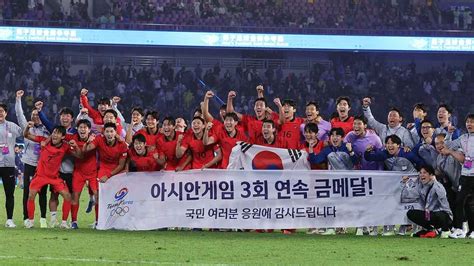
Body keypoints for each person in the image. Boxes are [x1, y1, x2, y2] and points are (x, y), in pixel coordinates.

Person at [23, 123, 82, 228]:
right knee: (31, 195)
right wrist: (28, 127)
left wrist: (76, 146)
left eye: (58, 134)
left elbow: (79, 155)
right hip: (40, 176)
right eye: (54, 132)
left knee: (67, 196)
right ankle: (30, 221)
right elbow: (26, 135)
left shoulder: (65, 146)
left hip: (54, 177)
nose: (55, 135)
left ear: (63, 137)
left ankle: (64, 223)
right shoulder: (44, 141)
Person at [36, 100, 77, 226]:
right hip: (56, 171)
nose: (65, 118)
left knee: (69, 196)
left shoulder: (76, 133)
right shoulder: (55, 130)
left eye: (67, 116)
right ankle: (53, 220)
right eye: (63, 115)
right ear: (60, 117)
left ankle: (66, 221)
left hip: (70, 170)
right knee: (54, 196)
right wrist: (39, 111)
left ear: (72, 119)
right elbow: (46, 122)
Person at [83, 122, 128, 228]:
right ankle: (98, 221)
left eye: (111, 131)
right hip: (104, 168)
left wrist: (108, 176)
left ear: (115, 133)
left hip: (117, 170)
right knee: (99, 195)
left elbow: (121, 165)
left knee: (119, 196)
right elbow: (87, 150)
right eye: (107, 131)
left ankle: (118, 221)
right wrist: (87, 142)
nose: (109, 134)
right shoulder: (99, 139)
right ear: (104, 133)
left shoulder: (122, 145)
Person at [15, 90, 49, 228]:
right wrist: (18, 99)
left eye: (37, 115)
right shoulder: (26, 127)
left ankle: (42, 219)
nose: (35, 117)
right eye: (33, 114)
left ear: (41, 116)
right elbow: (19, 115)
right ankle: (26, 218)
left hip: (43, 165)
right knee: (28, 192)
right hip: (29, 164)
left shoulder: (47, 130)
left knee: (43, 193)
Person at [442, 113, 474, 239]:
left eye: (472, 122)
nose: (469, 124)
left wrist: (452, 153)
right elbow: (447, 146)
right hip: (465, 175)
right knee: (461, 202)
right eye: (468, 122)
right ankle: (459, 229)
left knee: (470, 204)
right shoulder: (463, 138)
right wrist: (449, 134)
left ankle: (472, 230)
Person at [401, 165, 452, 238]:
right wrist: (406, 183)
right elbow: (408, 196)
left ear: (431, 175)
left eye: (424, 172)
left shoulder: (437, 186)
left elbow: (443, 200)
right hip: (429, 214)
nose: (422, 175)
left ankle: (445, 229)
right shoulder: (420, 186)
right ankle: (431, 229)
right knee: (410, 213)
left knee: (439, 214)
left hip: (443, 215)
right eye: (420, 173)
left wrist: (435, 181)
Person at [69, 119, 98, 229]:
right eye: (80, 127)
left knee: (97, 196)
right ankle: (74, 222)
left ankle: (97, 221)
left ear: (89, 130)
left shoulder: (95, 139)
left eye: (85, 127)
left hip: (93, 172)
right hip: (79, 172)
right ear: (77, 129)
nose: (82, 129)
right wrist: (80, 145)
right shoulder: (73, 141)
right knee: (75, 196)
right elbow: (81, 155)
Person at [0, 103, 23, 228]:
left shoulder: (12, 126)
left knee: (9, 193)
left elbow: (23, 132)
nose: (0, 113)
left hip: (8, 164)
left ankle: (9, 219)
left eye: (2, 111)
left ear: (6, 113)